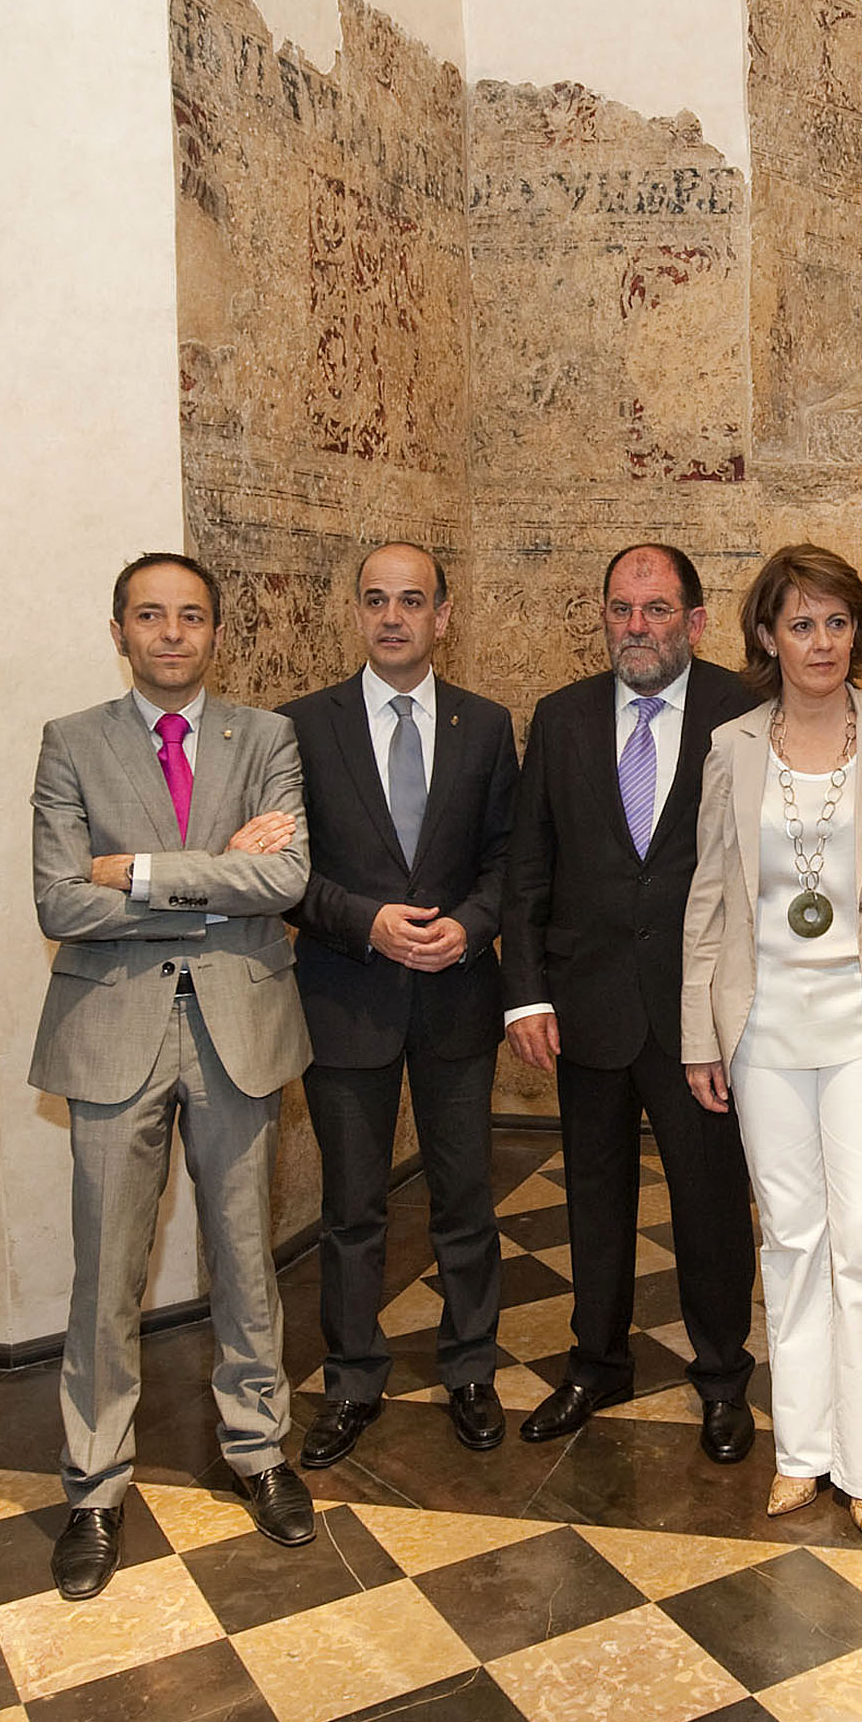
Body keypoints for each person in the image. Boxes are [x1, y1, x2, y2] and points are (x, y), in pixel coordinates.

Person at [30, 552, 316, 1602]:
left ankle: (260, 1449)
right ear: (119, 631)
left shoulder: (267, 738)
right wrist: (212, 884)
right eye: (149, 616)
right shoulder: (72, 743)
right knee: (107, 1270)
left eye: (190, 617)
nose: (171, 634)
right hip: (113, 1032)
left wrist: (135, 872)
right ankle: (95, 1487)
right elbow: (60, 903)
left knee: (246, 1256)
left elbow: (283, 878)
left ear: (215, 633)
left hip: (238, 1023)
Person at [680, 545, 862, 1538]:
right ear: (766, 636)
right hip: (761, 1032)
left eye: (836, 621)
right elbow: (709, 898)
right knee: (792, 1239)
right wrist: (698, 1033)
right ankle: (802, 1448)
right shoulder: (733, 745)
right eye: (800, 623)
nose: (821, 641)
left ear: (857, 630)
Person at [503, 544, 762, 1458]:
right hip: (586, 1005)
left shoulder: (745, 710)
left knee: (711, 1199)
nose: (637, 627)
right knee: (592, 1197)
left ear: (694, 620)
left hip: (702, 1018)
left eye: (657, 610)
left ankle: (724, 1378)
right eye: (621, 609)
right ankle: (595, 1365)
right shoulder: (562, 717)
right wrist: (523, 996)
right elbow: (529, 870)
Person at [280, 542, 520, 1463]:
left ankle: (470, 1369)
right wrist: (366, 924)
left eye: (411, 601)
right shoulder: (300, 727)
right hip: (348, 999)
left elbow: (510, 862)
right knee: (353, 1208)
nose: (392, 617)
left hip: (457, 996)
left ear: (443, 616)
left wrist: (471, 926)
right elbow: (286, 873)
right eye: (376, 600)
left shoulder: (486, 725)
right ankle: (352, 1380)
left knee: (465, 1199)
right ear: (355, 613)